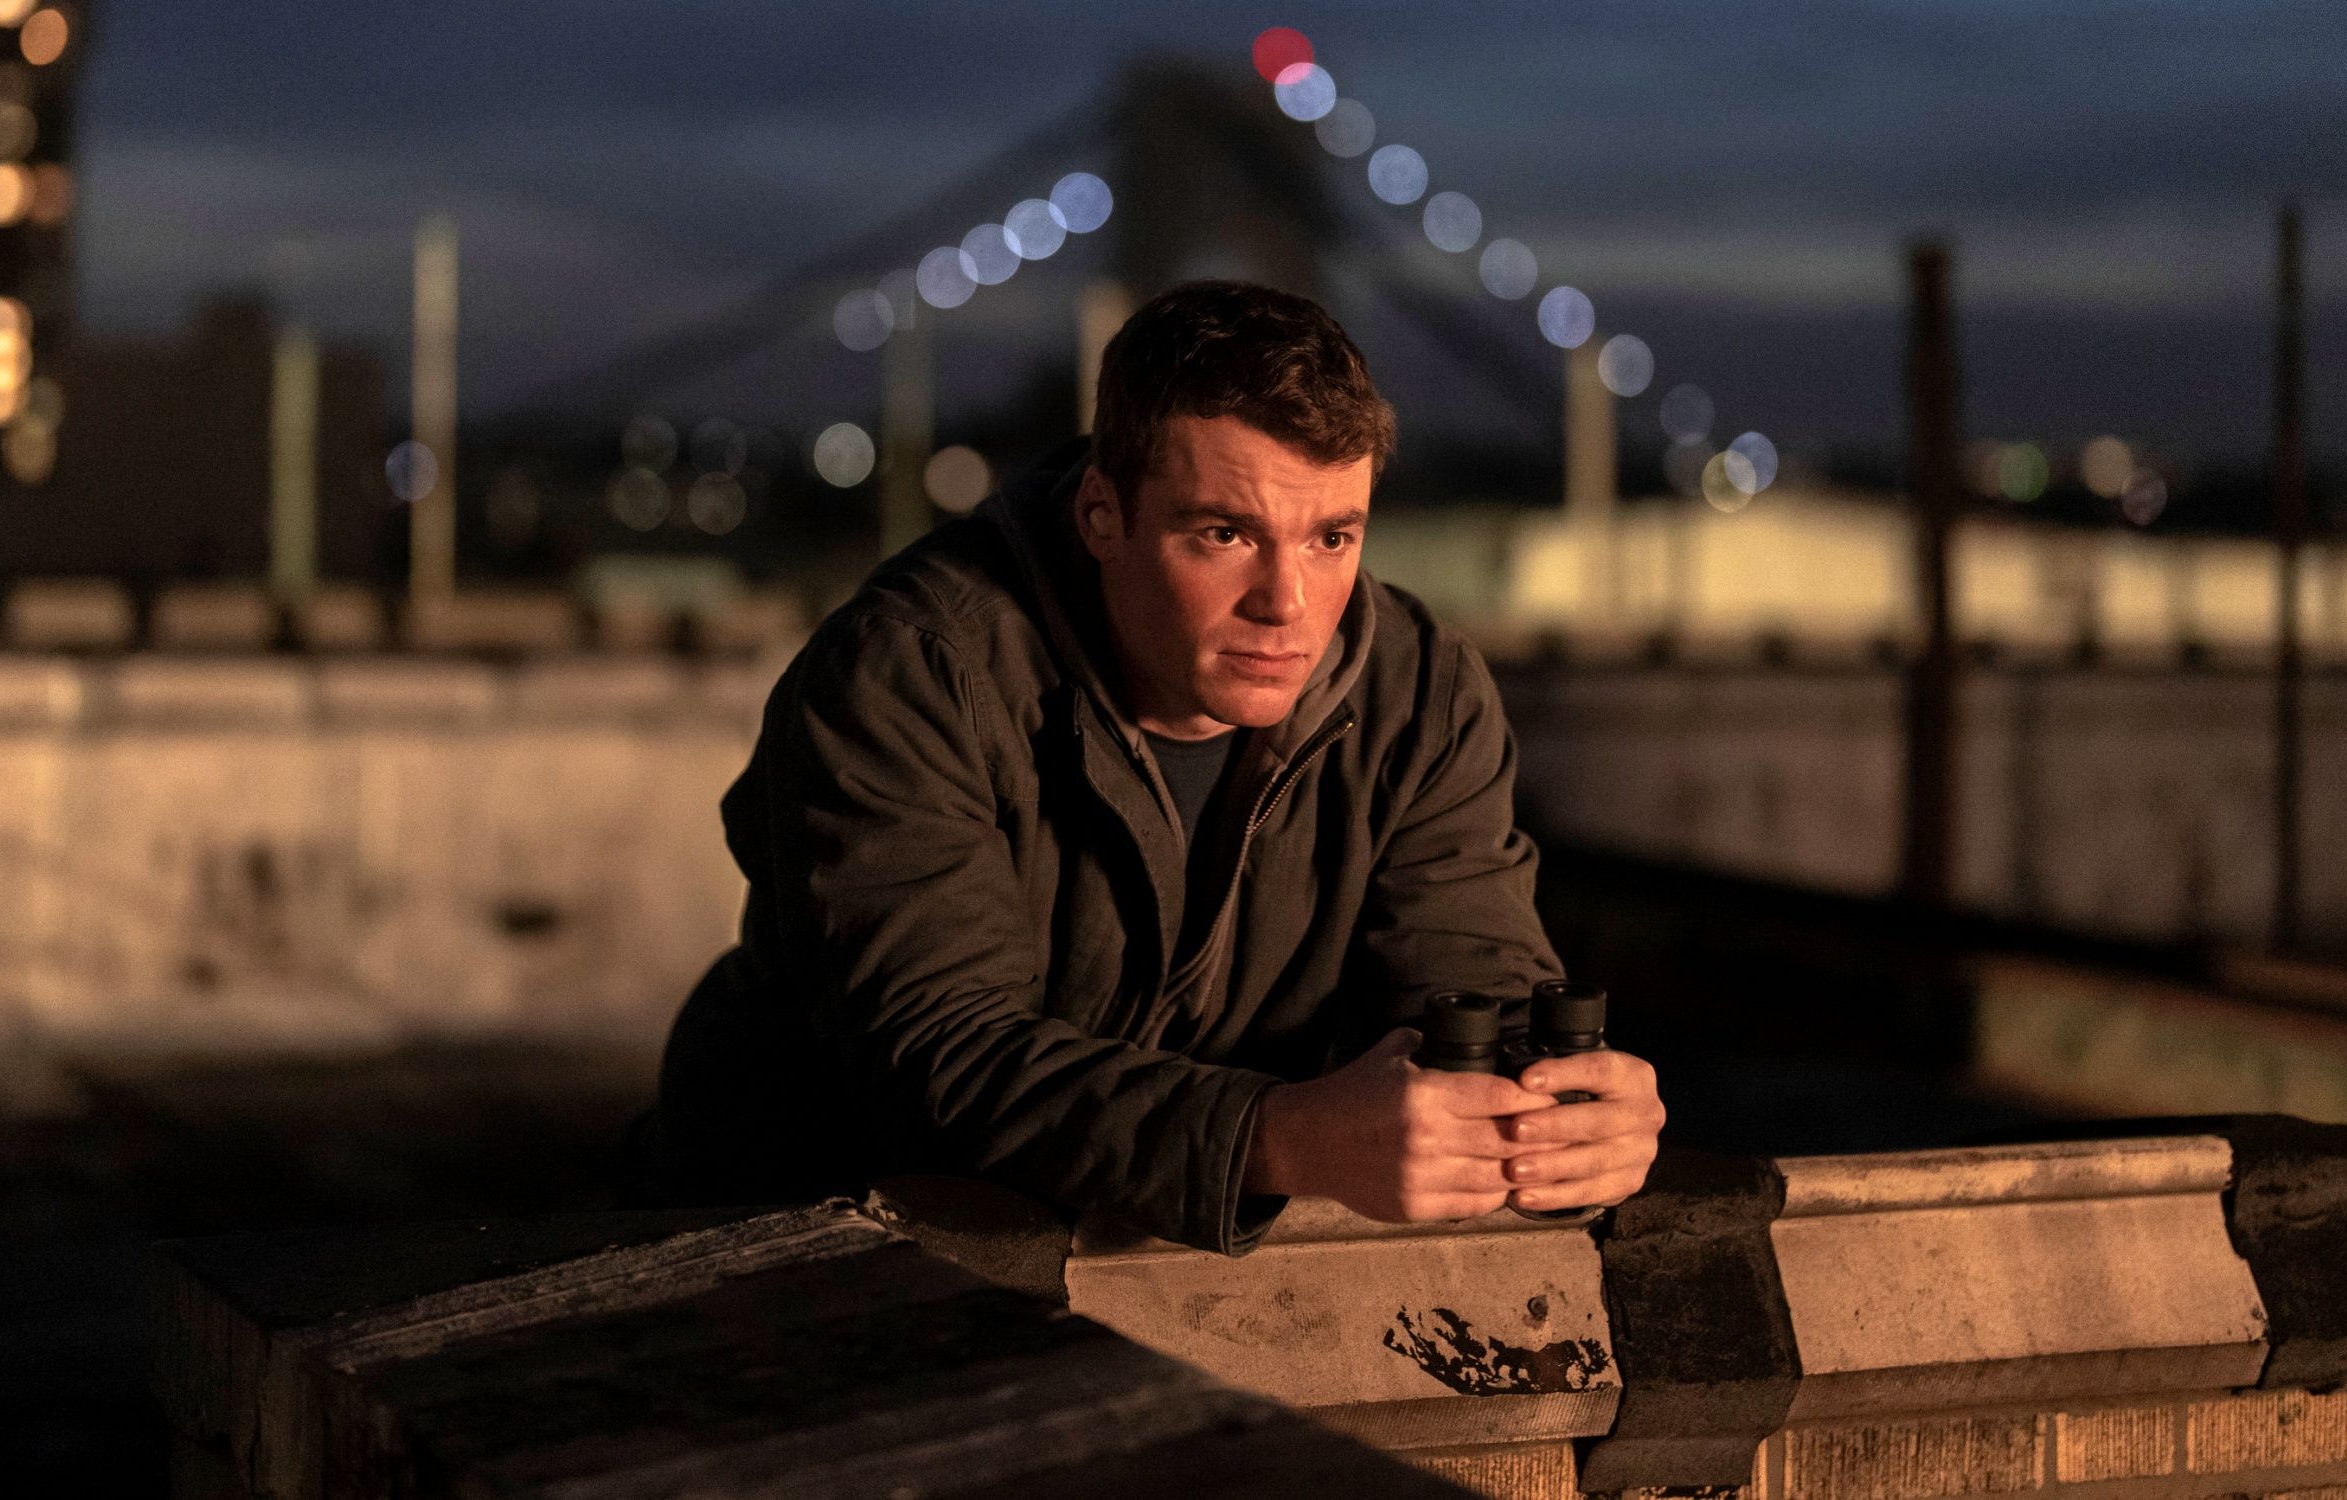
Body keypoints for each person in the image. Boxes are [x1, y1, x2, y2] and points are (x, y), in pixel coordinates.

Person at [633, 280, 1662, 1253]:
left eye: (1331, 537)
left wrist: (1561, 1112)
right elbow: (944, 1063)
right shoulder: (910, 674)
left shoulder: (1419, 689)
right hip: (798, 1236)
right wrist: (1280, 1136)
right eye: (1224, 534)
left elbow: (1471, 986)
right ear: (1101, 518)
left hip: (1165, 1253)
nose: (1288, 604)